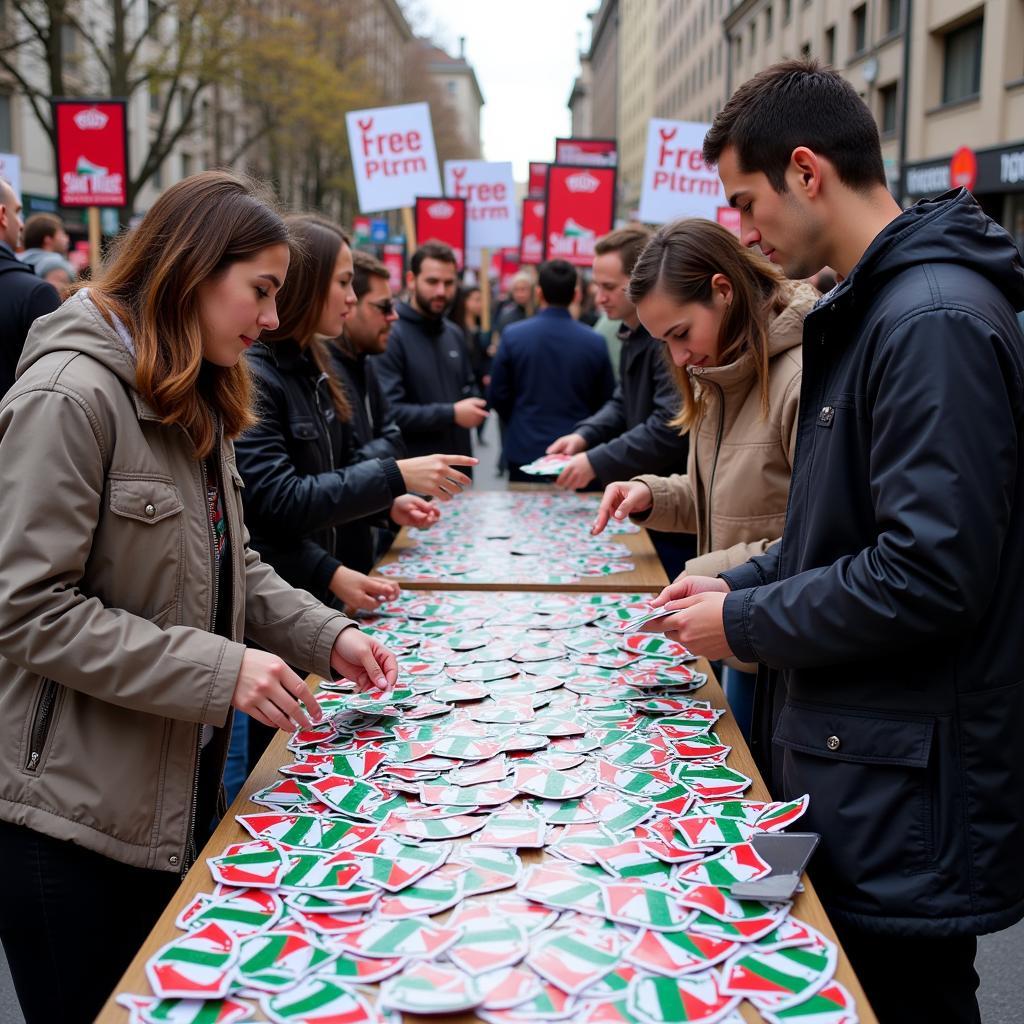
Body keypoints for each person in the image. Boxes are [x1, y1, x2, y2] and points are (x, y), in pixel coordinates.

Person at [645, 60, 1024, 1024]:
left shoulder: (928, 318)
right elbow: (828, 533)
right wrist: (733, 595)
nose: (742, 230)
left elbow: (930, 573)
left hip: (904, 791)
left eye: (745, 199)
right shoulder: (875, 310)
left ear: (805, 171)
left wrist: (750, 617)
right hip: (868, 765)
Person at [0, 171, 398, 1024]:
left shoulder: (188, 384)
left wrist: (325, 636)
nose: (266, 320)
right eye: (259, 292)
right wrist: (223, 671)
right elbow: (28, 610)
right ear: (191, 268)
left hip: (163, 800)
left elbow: (230, 563)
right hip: (64, 823)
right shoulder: (69, 395)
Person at [591, 218, 815, 738]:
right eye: (663, 342)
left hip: (781, 648)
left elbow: (815, 537)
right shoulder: (723, 373)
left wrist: (712, 572)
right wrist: (652, 494)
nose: (679, 357)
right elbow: (725, 496)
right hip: (742, 639)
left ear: (723, 291)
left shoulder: (797, 379)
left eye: (681, 334)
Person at [236, 216, 470, 604]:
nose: (351, 298)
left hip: (317, 596)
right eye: (343, 283)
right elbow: (277, 506)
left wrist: (383, 506)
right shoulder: (259, 373)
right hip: (283, 607)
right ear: (308, 285)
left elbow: (334, 473)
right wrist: (392, 476)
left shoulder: (317, 364)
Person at [547, 225, 687, 491]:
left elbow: (669, 425)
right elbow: (623, 402)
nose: (599, 298)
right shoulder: (631, 333)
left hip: (670, 490)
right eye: (597, 287)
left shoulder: (663, 339)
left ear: (641, 280)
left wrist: (595, 461)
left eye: (609, 287)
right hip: (650, 486)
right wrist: (584, 435)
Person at [488, 258, 614, 479]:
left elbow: (498, 394)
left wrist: (519, 419)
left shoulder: (513, 335)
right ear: (576, 294)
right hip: (576, 449)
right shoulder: (594, 341)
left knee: (521, 512)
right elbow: (605, 399)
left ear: (538, 293)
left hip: (525, 445)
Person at [373, 241, 487, 462]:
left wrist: (476, 402)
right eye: (432, 282)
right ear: (411, 280)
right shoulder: (391, 333)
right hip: (412, 477)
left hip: (458, 473)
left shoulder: (454, 333)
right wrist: (452, 413)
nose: (441, 291)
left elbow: (468, 388)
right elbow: (389, 412)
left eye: (449, 283)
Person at [0, 178, 60, 396]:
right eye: (17, 212)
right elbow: (54, 386)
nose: (22, 224)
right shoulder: (35, 294)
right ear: (2, 216)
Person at [451, 283, 491, 443]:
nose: (479, 304)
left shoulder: (480, 327)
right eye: (476, 300)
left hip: (479, 378)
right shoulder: (454, 329)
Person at [493, 270, 535, 337]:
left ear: (531, 290)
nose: (520, 294)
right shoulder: (506, 317)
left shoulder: (538, 313)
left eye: (523, 289)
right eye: (516, 290)